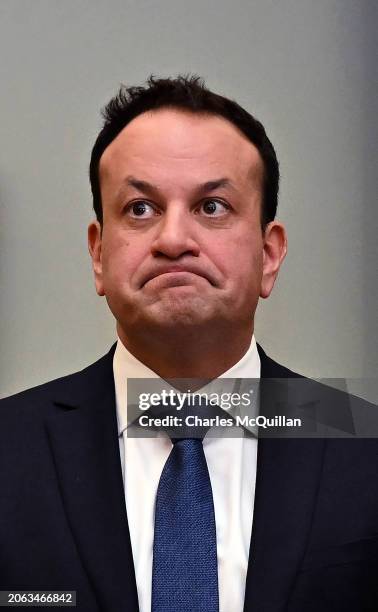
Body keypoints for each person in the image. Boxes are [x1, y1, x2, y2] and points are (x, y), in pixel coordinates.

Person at [0, 76, 377, 612]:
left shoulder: (364, 445)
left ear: (269, 256)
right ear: (98, 254)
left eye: (213, 206)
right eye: (139, 209)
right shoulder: (10, 446)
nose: (173, 240)